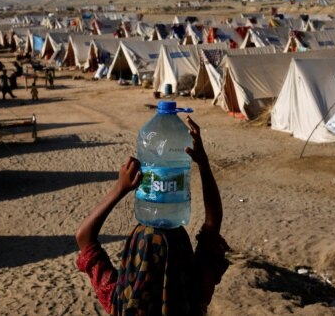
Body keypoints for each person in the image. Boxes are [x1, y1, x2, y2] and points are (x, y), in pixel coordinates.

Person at [76, 116, 229, 315]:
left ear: (131, 262)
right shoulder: (193, 294)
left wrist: (120, 188)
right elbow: (212, 225)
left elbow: (84, 237)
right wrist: (203, 164)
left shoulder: (119, 301)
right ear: (183, 260)